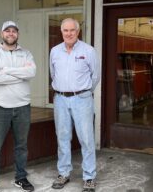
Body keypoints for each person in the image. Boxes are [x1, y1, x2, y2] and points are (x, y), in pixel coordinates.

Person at [0, 21, 36, 192]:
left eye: (14, 31)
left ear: (17, 34)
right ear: (2, 34)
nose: (11, 33)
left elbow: (32, 72)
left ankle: (20, 178)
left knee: (21, 146)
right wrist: (20, 74)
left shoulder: (26, 53)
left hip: (22, 107)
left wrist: (5, 70)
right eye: (7, 31)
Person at [49, 18, 100, 192]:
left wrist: (82, 92)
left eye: (72, 30)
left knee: (86, 138)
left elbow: (95, 77)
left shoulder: (89, 51)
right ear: (61, 32)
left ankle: (89, 177)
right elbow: (53, 73)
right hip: (60, 99)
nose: (69, 33)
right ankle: (64, 173)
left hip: (82, 99)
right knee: (62, 137)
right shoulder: (55, 51)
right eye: (65, 30)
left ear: (78, 32)